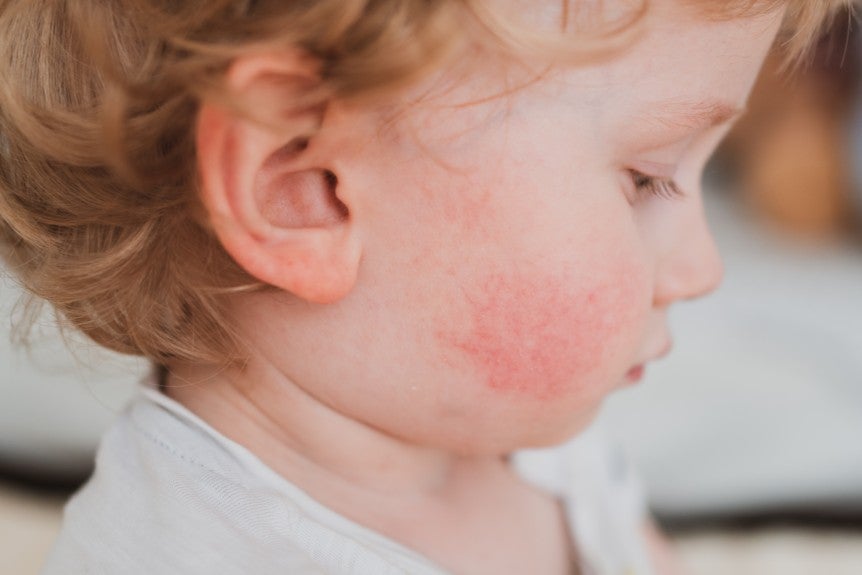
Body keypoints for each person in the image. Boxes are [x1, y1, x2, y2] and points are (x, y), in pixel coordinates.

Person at [0, 1, 849, 573]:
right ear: (304, 190)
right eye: (646, 178)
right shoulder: (180, 553)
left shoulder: (527, 442)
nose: (703, 268)